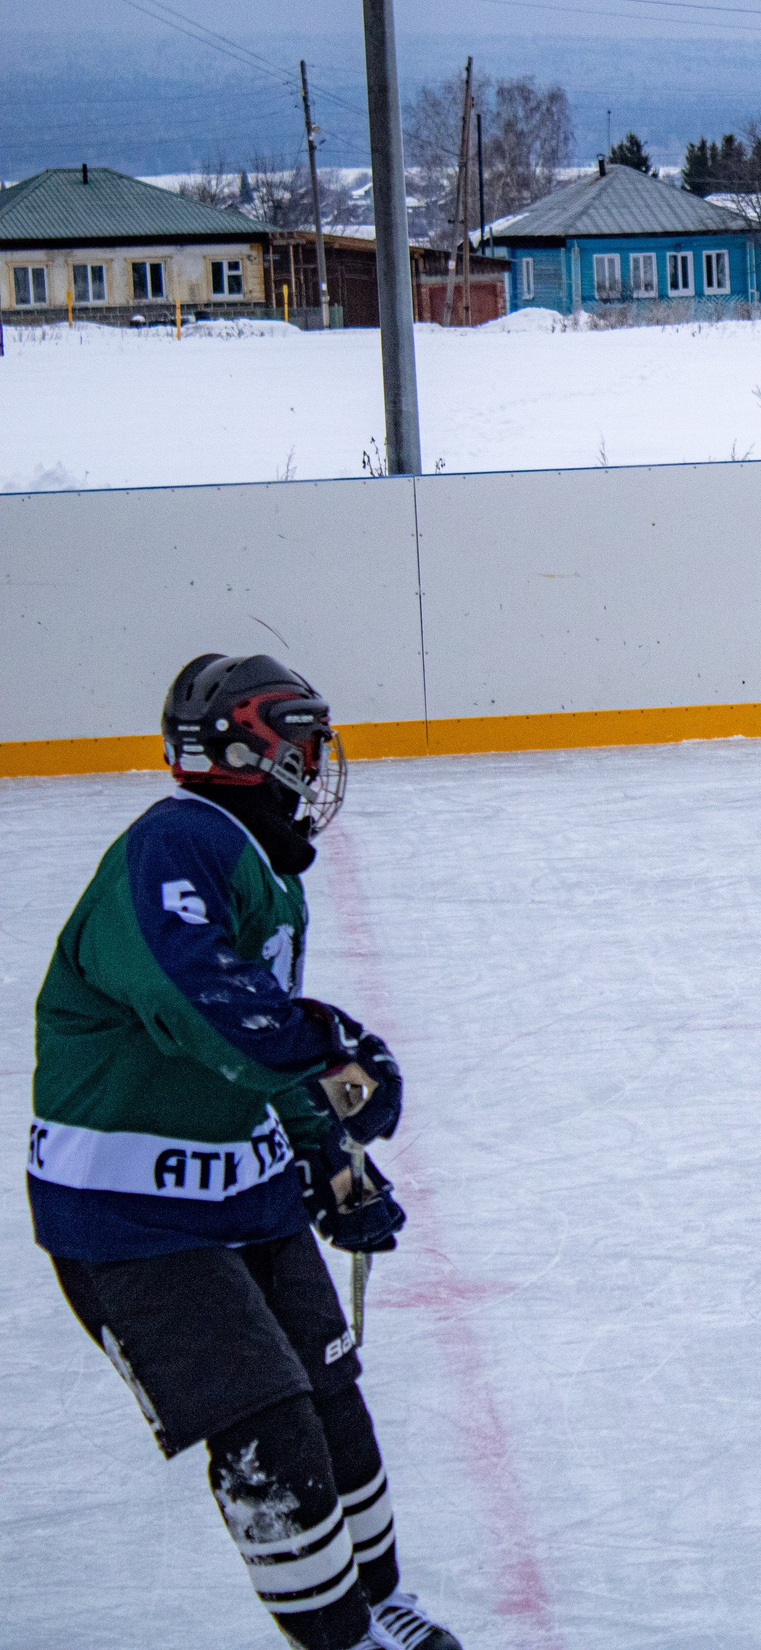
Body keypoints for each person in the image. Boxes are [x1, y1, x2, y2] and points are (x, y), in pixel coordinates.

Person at [26, 654, 463, 1650]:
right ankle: (340, 1640)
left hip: (244, 1189)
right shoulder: (176, 843)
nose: (317, 763)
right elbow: (200, 1002)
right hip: (132, 1218)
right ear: (241, 750)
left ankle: (378, 1605)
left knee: (330, 1396)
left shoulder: (259, 863)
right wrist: (325, 1051)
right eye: (301, 742)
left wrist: (327, 1153)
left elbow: (257, 1051)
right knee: (267, 1426)